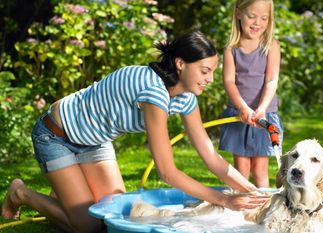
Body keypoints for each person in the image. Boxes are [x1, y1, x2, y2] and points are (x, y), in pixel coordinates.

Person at [1, 31, 268, 233]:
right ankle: (21, 193)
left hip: (95, 142)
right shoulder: (152, 90)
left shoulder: (186, 98)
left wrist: (253, 191)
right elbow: (166, 171)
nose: (210, 79)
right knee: (87, 225)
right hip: (56, 135)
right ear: (180, 64)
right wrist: (224, 199)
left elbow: (210, 157)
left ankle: (64, 193)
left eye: (212, 71)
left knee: (110, 213)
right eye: (205, 70)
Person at [219, 0, 284, 188]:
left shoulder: (271, 45)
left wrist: (261, 108)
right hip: (240, 115)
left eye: (264, 18)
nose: (257, 23)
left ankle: (262, 207)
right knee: (241, 169)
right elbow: (229, 81)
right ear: (238, 14)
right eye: (251, 16)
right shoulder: (231, 48)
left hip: (264, 115)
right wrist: (243, 107)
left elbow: (272, 80)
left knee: (260, 169)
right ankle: (240, 209)